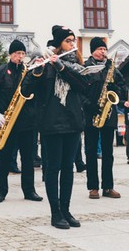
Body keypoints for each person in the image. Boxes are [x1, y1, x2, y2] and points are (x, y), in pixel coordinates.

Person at [30, 25, 89, 229]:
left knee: (68, 169)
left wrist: (61, 67)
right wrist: (37, 70)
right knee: (53, 169)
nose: (73, 44)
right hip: (51, 123)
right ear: (59, 44)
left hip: (73, 122)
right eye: (68, 41)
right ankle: (55, 213)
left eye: (73, 40)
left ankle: (66, 209)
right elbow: (27, 90)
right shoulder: (45, 65)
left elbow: (84, 86)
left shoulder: (76, 65)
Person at [0, 39, 42, 203]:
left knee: (28, 158)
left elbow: (36, 94)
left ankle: (29, 191)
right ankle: (0, 190)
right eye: (17, 53)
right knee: (3, 157)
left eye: (23, 54)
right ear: (11, 54)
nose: (20, 57)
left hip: (26, 121)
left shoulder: (29, 71)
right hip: (6, 121)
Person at [83, 37, 125, 200]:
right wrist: (88, 104)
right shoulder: (86, 67)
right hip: (91, 113)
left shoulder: (111, 67)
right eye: (100, 49)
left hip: (108, 114)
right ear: (93, 51)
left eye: (104, 49)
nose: (103, 51)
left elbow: (122, 86)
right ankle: (93, 187)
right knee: (91, 152)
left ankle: (108, 186)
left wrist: (116, 90)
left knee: (108, 153)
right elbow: (80, 90)